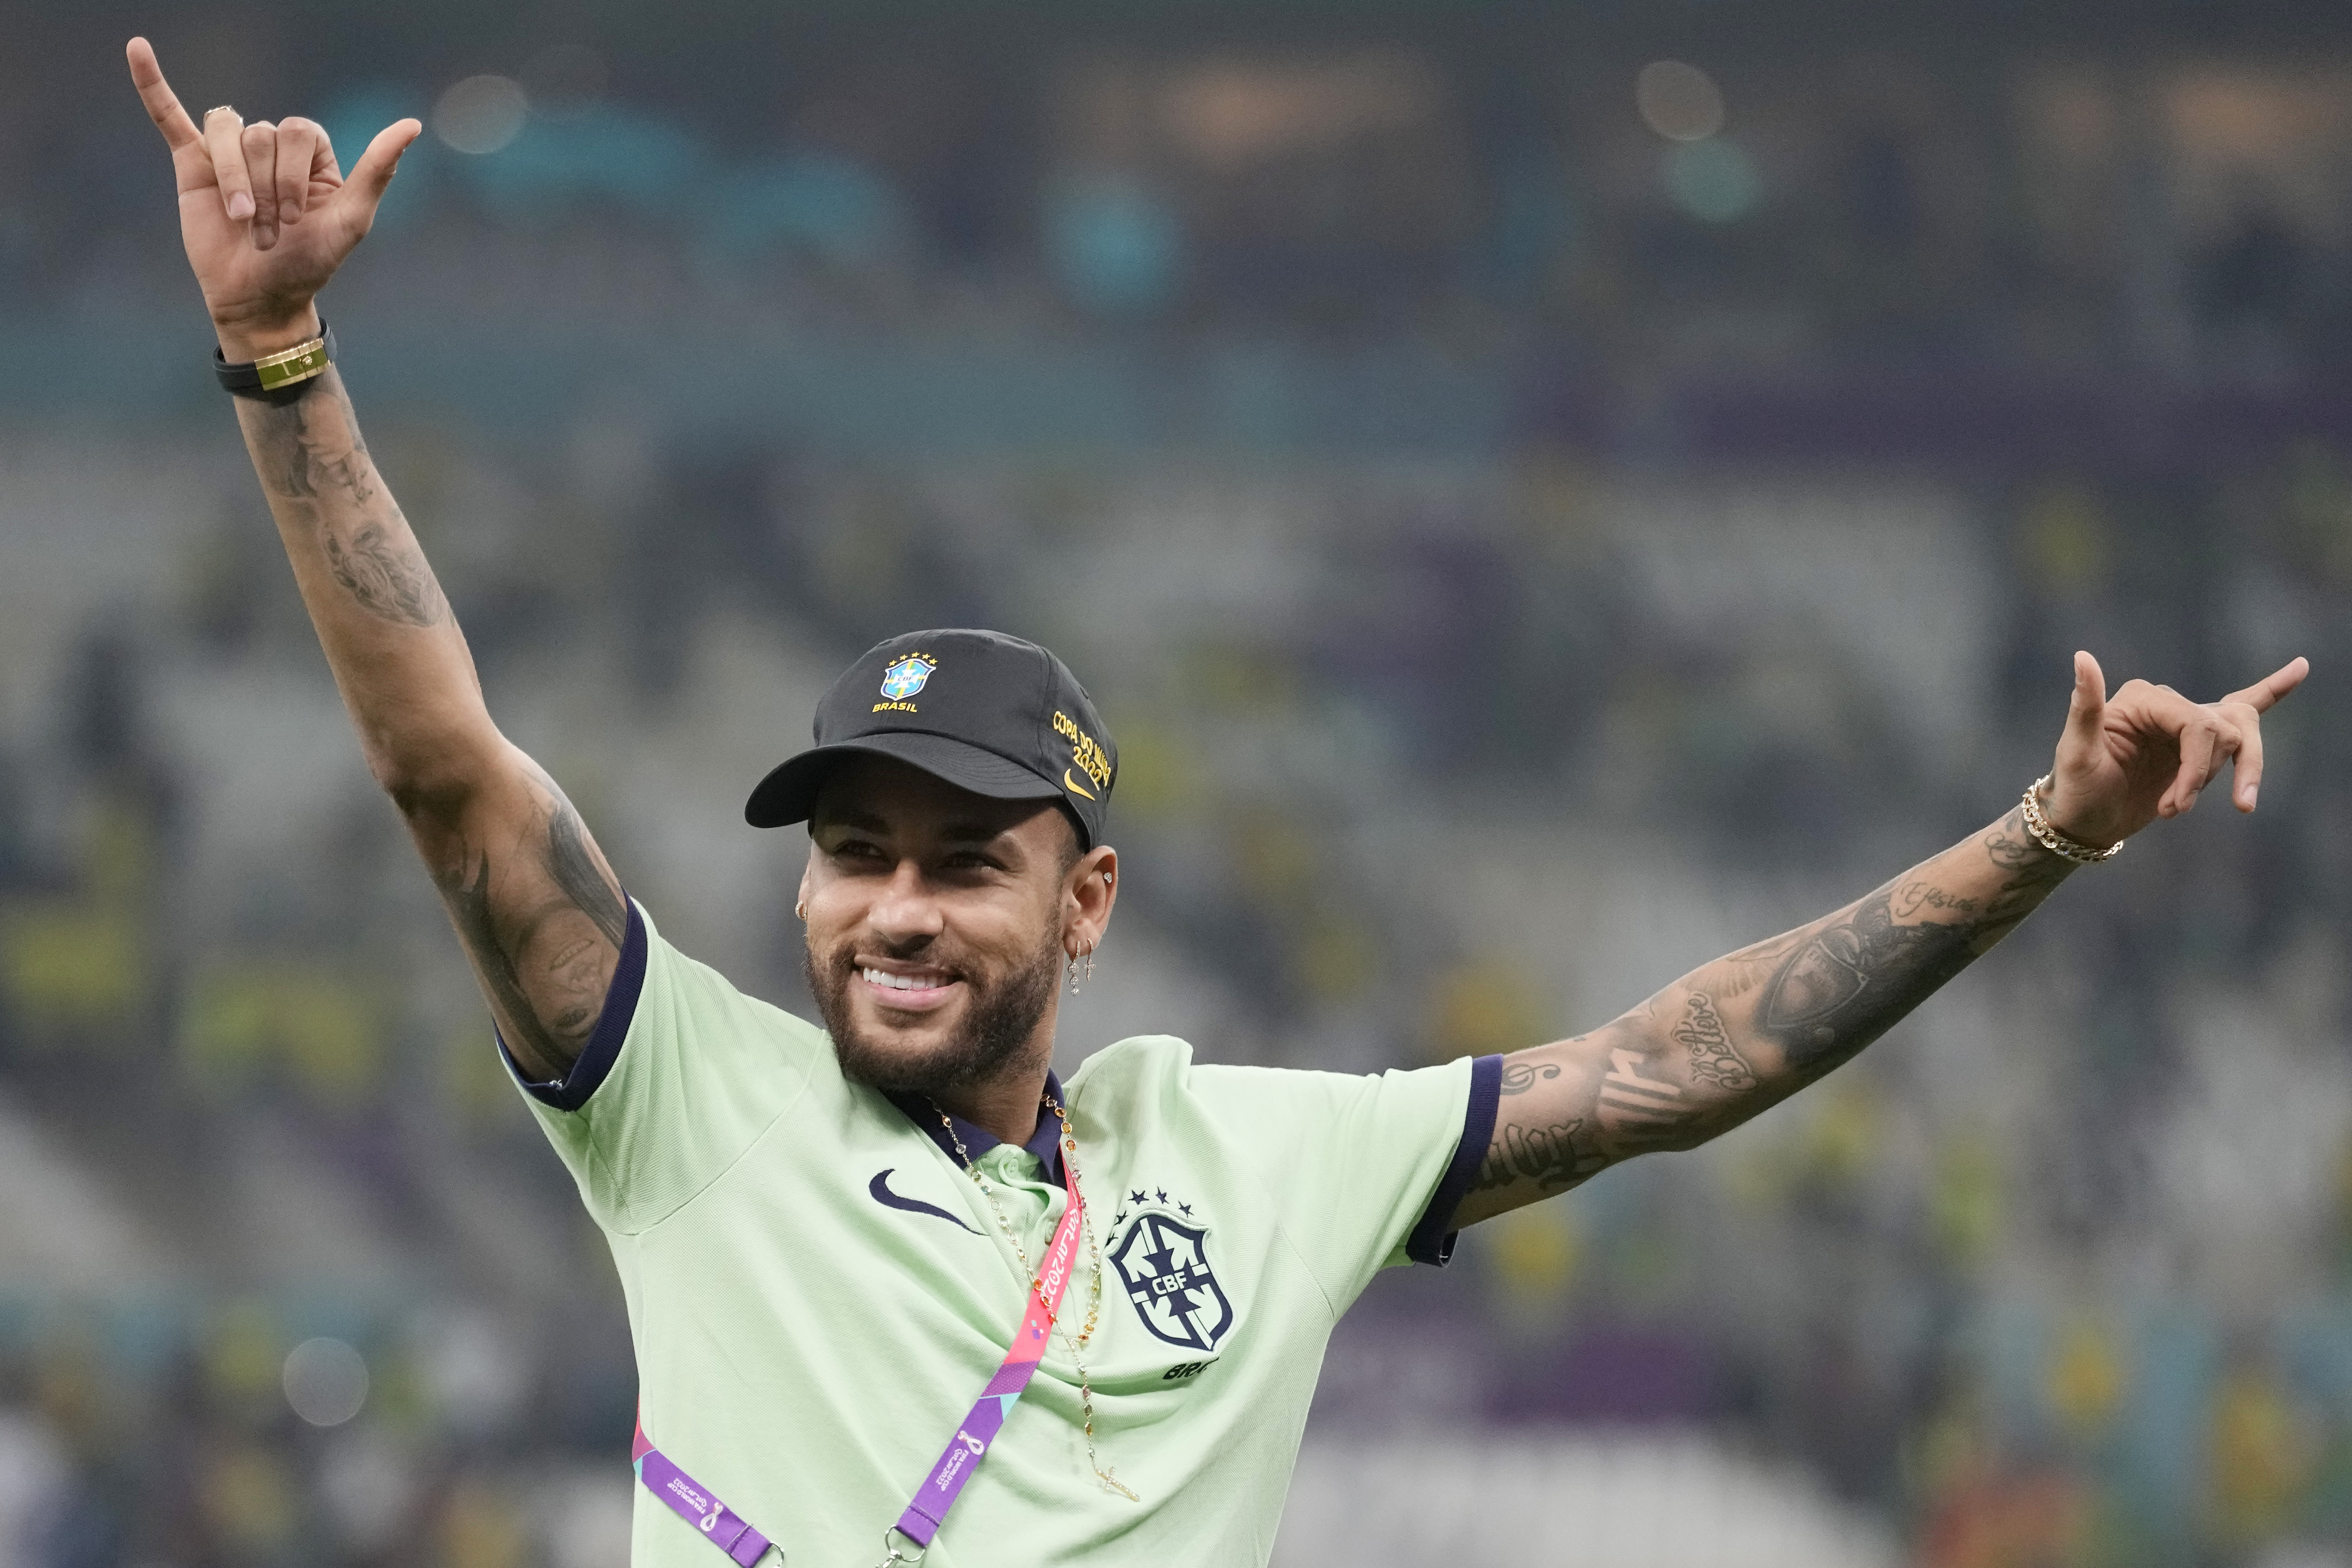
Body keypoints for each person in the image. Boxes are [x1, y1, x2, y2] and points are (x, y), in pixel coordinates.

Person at [125, 38, 2309, 1568]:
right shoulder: (682, 1102)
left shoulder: (1261, 1154)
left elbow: (1677, 1060)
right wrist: (285, 365)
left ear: (1086, 907)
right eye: (854, 850)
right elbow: (445, 767)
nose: (889, 903)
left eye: (961, 860)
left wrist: (2045, 836)